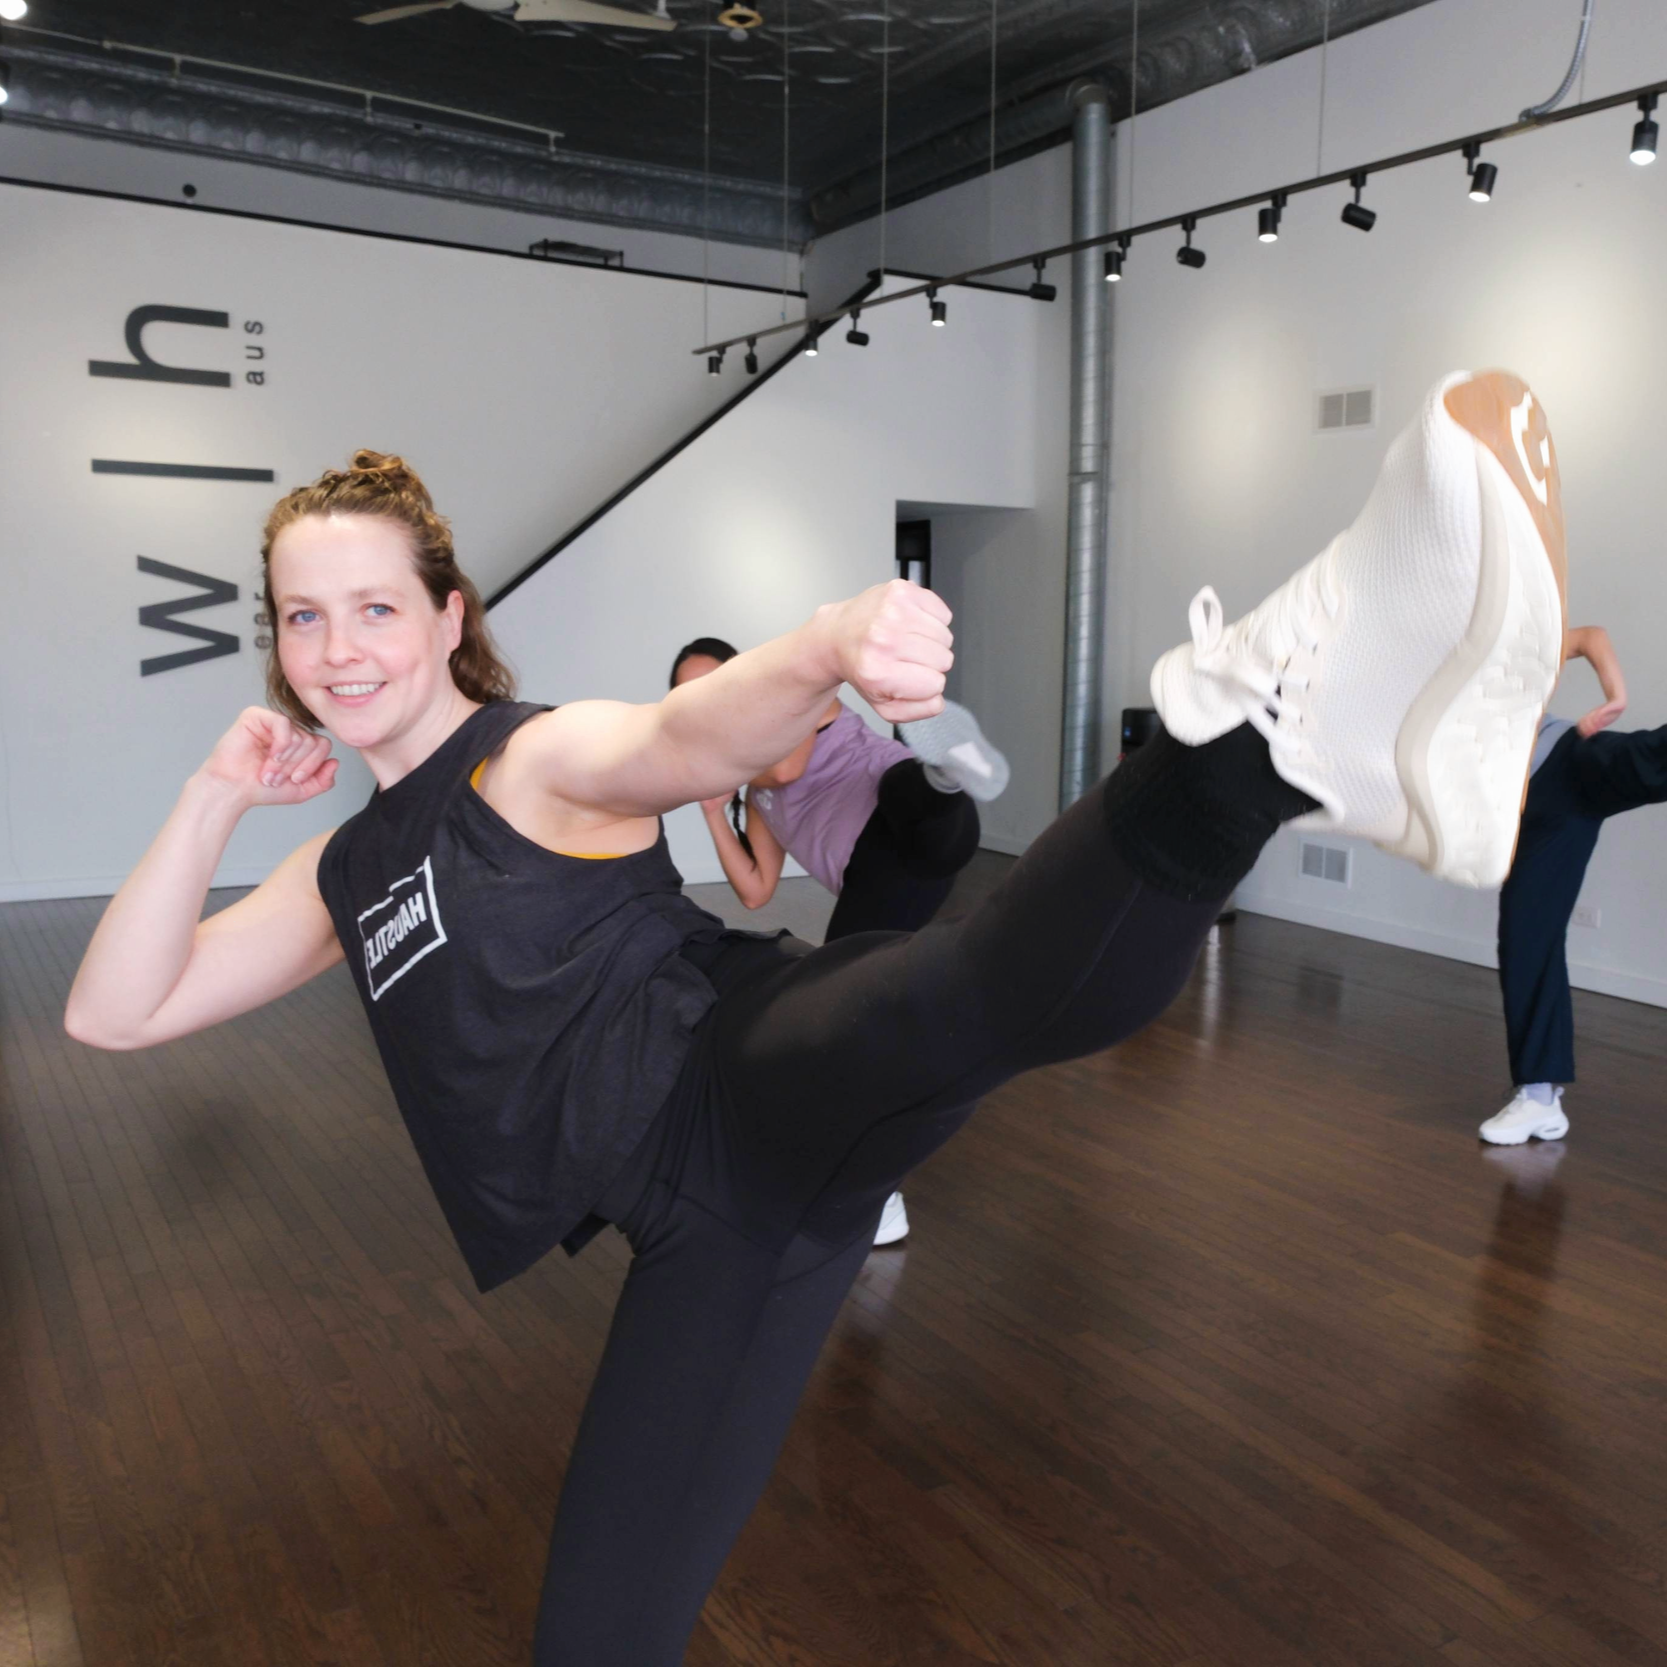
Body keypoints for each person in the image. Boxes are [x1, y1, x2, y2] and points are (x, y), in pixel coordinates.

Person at [64, 367, 1566, 1665]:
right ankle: (1314, 746)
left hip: (739, 1080)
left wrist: (822, 643)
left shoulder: (528, 757)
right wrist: (210, 795)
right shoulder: (346, 865)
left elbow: (673, 733)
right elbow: (120, 1009)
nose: (337, 649)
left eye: (375, 606)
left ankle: (1268, 722)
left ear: (447, 615)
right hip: (703, 1233)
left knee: (981, 991)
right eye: (303, 616)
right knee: (595, 1634)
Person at [668, 636, 1010, 1246]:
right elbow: (754, 889)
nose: (701, 702)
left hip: (899, 811)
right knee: (848, 1015)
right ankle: (873, 1188)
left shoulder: (796, 700)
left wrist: (718, 766)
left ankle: (945, 771)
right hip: (882, 874)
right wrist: (714, 812)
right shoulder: (756, 792)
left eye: (710, 685)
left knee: (917, 802)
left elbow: (789, 765)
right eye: (686, 694)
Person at [1483, 623, 1656, 1144]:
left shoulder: (1492, 645)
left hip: (1568, 761)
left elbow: (1587, 637)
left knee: (1652, 756)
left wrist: (1616, 696)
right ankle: (1539, 1099)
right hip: (1530, 818)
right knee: (1524, 939)